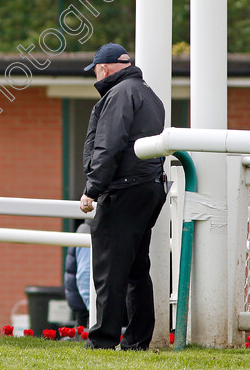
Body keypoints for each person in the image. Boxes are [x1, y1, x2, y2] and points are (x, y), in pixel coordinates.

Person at [79, 43, 167, 350]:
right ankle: (137, 339)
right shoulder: (149, 94)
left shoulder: (118, 95)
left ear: (103, 69)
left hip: (124, 188)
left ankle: (103, 339)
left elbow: (109, 144)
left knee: (109, 267)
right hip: (151, 186)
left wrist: (93, 187)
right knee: (136, 268)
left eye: (97, 71)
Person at [64, 222, 91, 328]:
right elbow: (85, 275)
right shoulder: (87, 230)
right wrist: (94, 308)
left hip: (86, 305)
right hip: (87, 308)